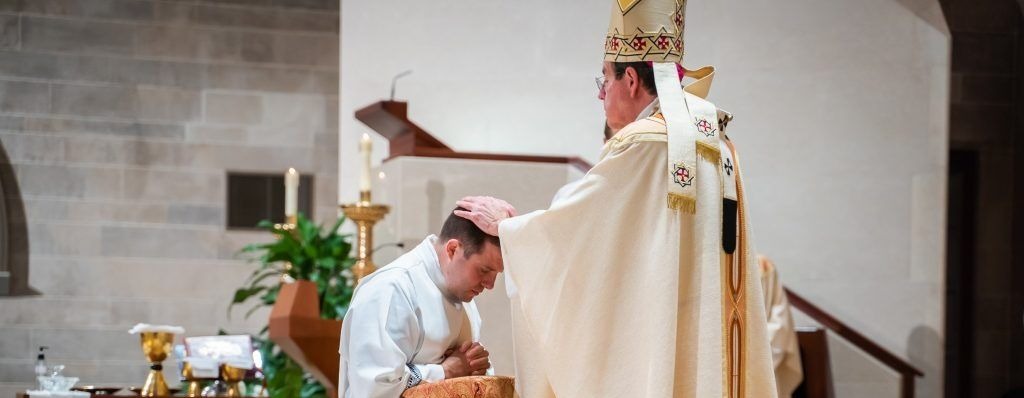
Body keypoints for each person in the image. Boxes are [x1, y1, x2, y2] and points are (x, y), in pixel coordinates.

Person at [453, 0, 779, 396]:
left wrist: (506, 228)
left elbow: (579, 233)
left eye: (603, 81)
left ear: (630, 79)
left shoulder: (645, 143)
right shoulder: (715, 139)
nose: (600, 95)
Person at [338, 208, 502, 398]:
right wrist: (446, 371)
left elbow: (468, 373)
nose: (490, 285)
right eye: (484, 270)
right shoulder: (391, 289)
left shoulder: (464, 298)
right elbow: (376, 387)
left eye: (497, 274)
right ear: (453, 249)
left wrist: (478, 366)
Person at [758, 255, 804, 398]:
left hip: (764, 362)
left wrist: (757, 354)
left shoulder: (764, 265)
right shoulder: (715, 264)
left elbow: (780, 323)